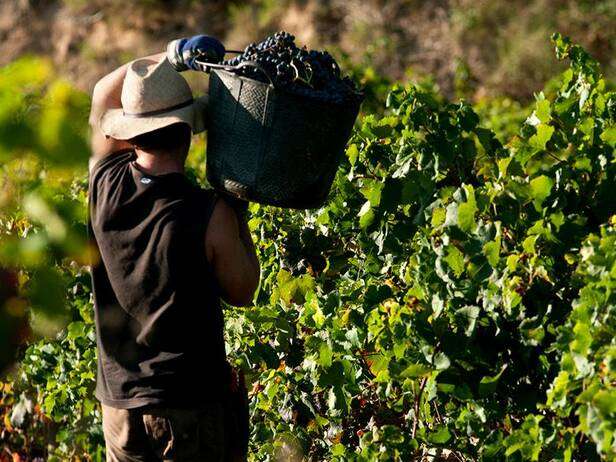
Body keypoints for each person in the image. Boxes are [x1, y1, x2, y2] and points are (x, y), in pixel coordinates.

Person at [87, 35, 260, 462]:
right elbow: (244, 290)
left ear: (130, 133)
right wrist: (239, 213)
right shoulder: (209, 213)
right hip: (187, 408)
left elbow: (101, 93)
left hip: (119, 406)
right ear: (188, 132)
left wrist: (169, 56)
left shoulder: (103, 182)